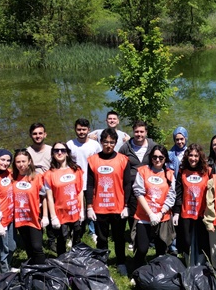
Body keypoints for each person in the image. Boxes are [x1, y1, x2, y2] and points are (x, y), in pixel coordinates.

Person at [86, 128, 131, 276]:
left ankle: (121, 262)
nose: (109, 145)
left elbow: (127, 184)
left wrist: (126, 205)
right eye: (105, 142)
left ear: (116, 143)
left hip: (118, 206)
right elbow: (90, 185)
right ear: (101, 142)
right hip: (100, 207)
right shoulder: (93, 160)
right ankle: (101, 262)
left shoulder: (123, 160)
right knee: (102, 238)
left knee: (119, 238)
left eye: (112, 142)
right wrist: (89, 206)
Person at [131, 145, 176, 269]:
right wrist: (150, 213)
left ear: (165, 159)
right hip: (144, 216)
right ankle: (136, 271)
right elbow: (138, 192)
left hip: (163, 217)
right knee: (142, 248)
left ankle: (157, 273)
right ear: (151, 158)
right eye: (155, 157)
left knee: (161, 249)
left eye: (161, 157)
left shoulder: (170, 174)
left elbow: (171, 196)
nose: (157, 160)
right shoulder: (143, 171)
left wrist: (160, 213)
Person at [119, 121, 156, 249]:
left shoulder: (152, 146)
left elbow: (159, 161)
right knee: (133, 212)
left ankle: (150, 238)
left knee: (150, 210)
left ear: (146, 132)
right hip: (132, 186)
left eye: (141, 132)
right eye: (136, 132)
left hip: (150, 186)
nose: (139, 134)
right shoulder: (126, 147)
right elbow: (119, 164)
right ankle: (133, 237)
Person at [43, 143, 84, 256]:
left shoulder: (76, 170)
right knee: (62, 239)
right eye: (56, 150)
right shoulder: (49, 174)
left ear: (67, 153)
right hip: (60, 213)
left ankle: (76, 260)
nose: (59, 153)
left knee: (77, 237)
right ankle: (62, 262)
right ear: (53, 153)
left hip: (75, 211)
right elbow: (49, 197)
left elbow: (79, 191)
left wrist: (82, 210)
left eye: (62, 150)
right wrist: (53, 217)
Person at [172, 143, 210, 266]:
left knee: (202, 240)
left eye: (196, 156)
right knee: (186, 240)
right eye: (191, 155)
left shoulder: (207, 171)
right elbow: (178, 192)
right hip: (186, 211)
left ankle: (200, 265)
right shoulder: (182, 171)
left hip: (202, 212)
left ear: (200, 157)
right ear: (187, 156)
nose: (193, 158)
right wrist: (176, 212)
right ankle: (188, 263)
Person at [67, 118, 102, 245]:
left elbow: (100, 161)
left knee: (93, 208)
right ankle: (74, 234)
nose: (81, 132)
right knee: (76, 209)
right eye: (79, 129)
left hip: (92, 181)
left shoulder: (95, 145)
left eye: (84, 129)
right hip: (75, 183)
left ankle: (93, 232)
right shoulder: (70, 144)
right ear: (75, 129)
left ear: (88, 130)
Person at [12, 149, 47, 265]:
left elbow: (44, 197)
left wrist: (45, 216)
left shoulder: (37, 177)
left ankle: (42, 271)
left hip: (34, 217)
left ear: (29, 161)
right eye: (18, 162)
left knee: (37, 246)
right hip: (20, 218)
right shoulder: (12, 177)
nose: (21, 165)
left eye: (23, 161)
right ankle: (32, 270)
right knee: (28, 246)